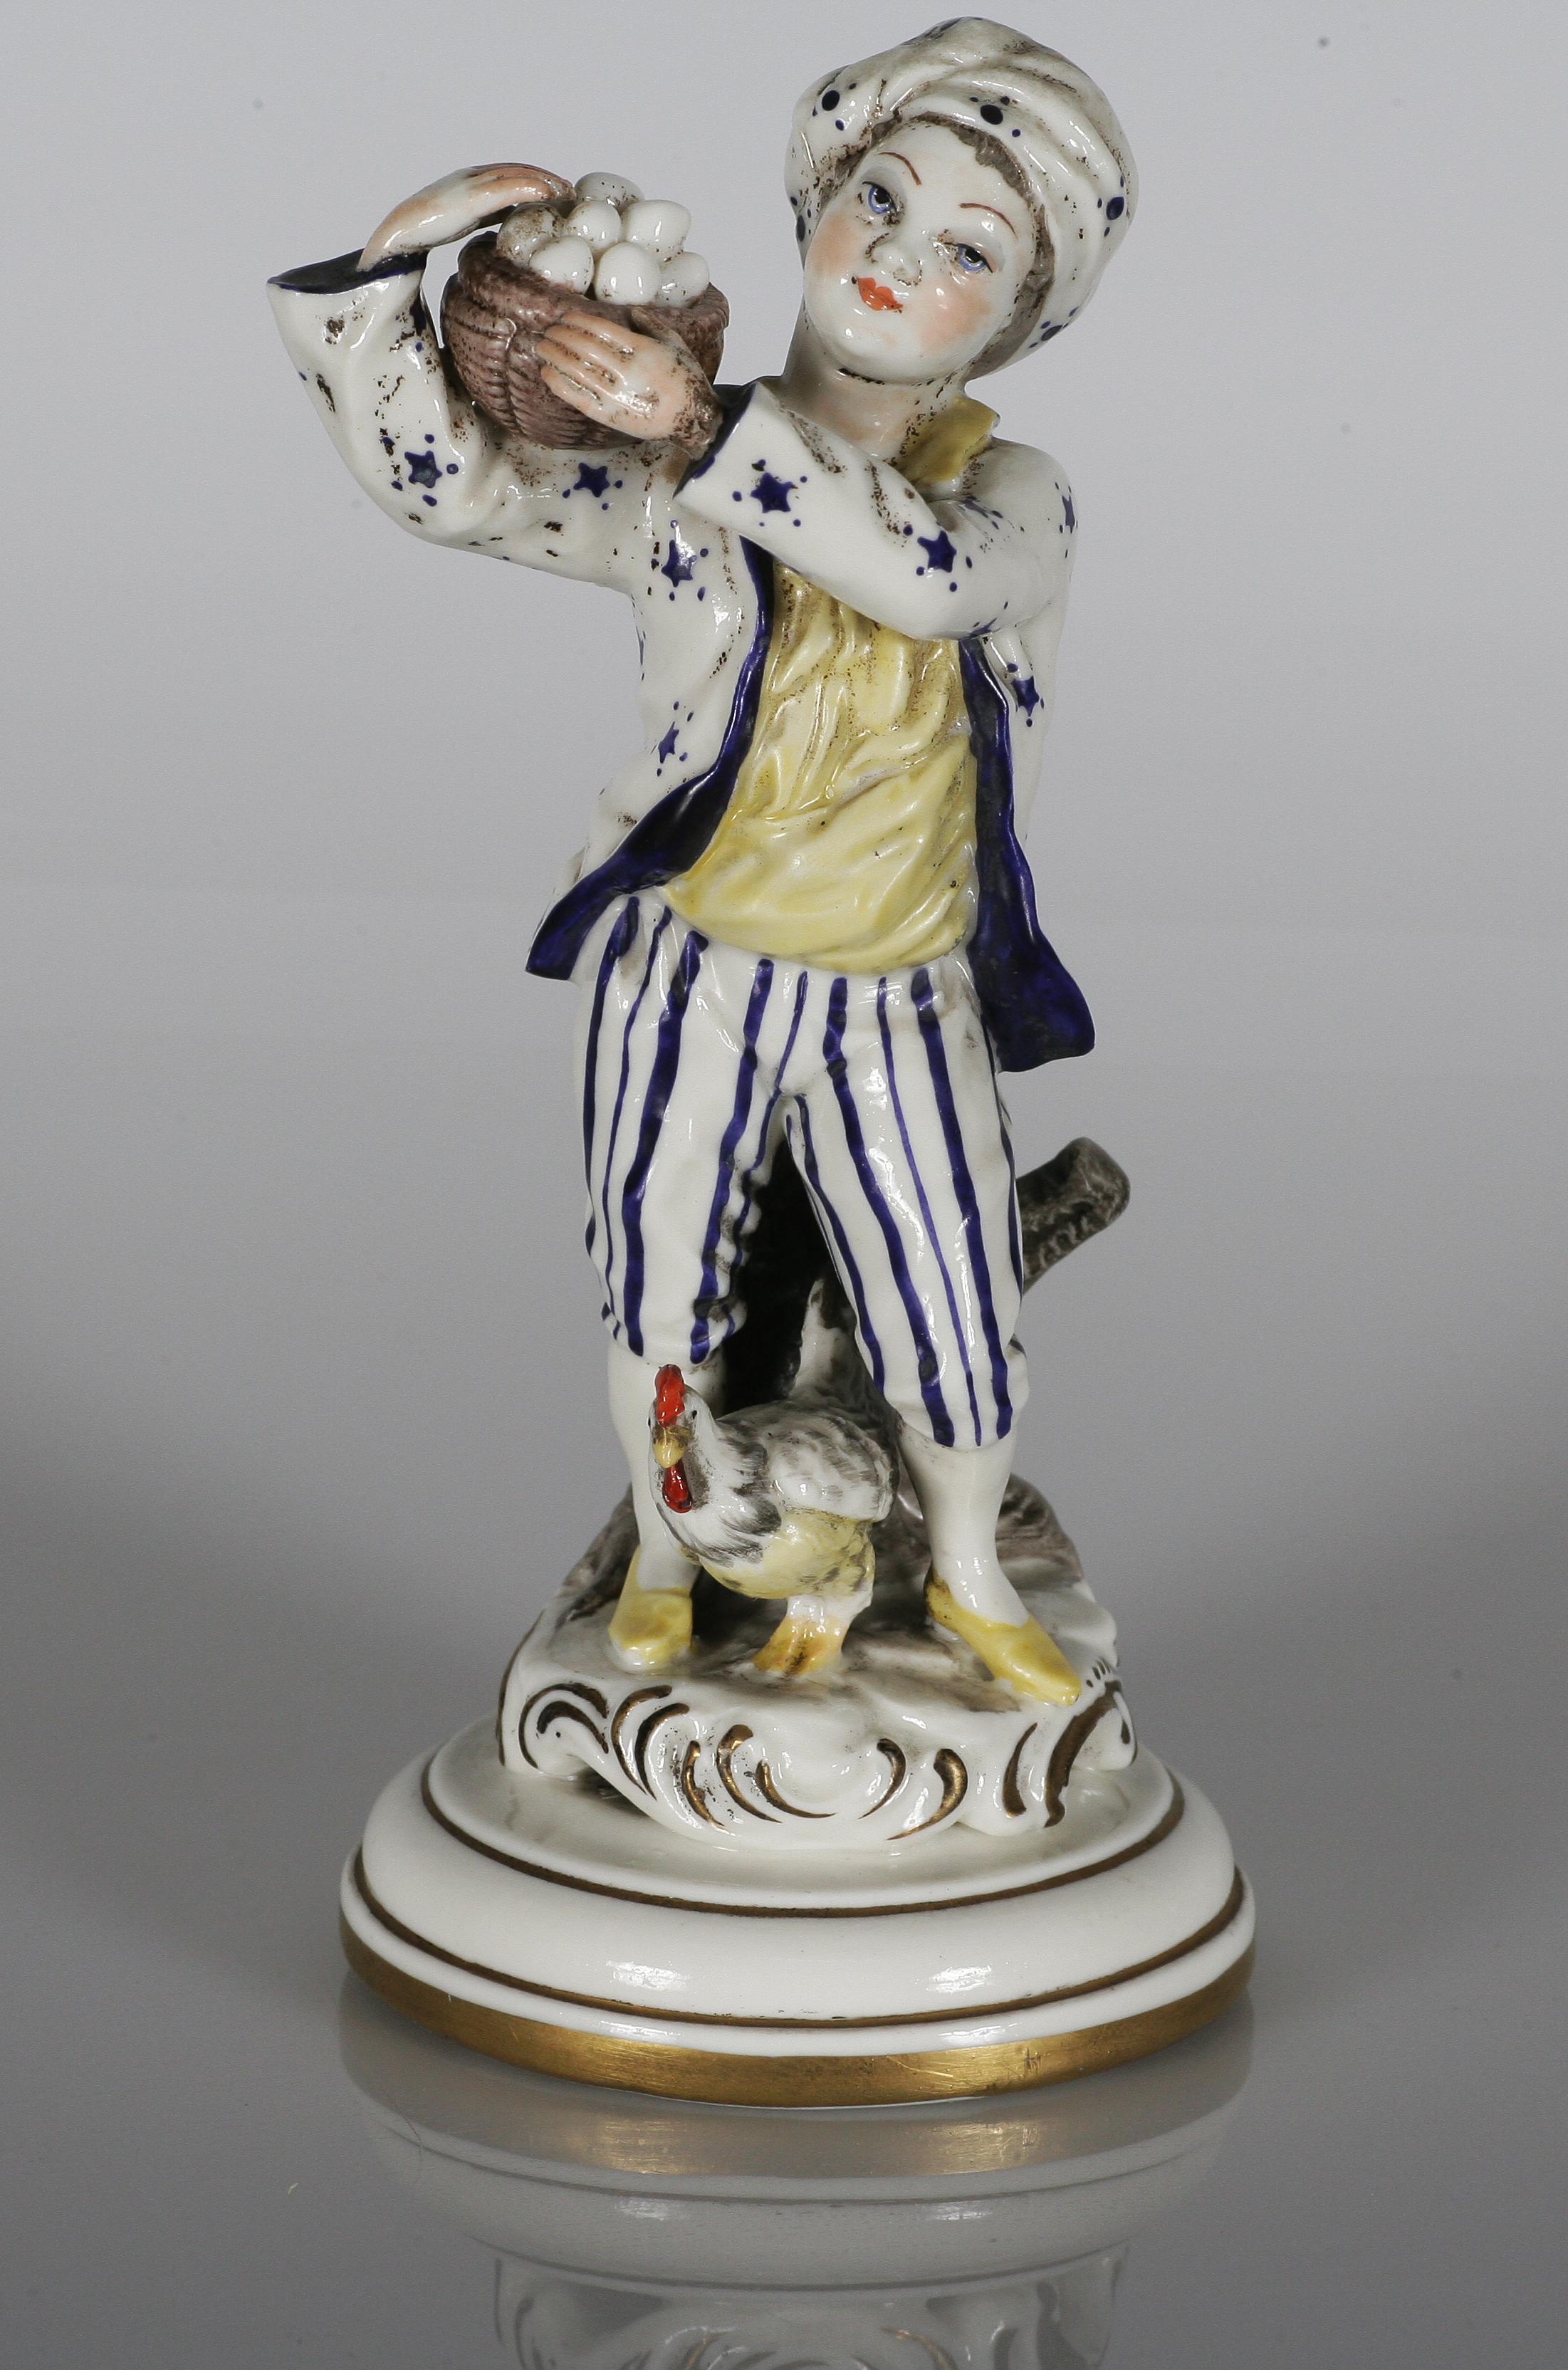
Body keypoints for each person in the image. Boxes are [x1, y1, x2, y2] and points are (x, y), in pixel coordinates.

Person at [268, 19, 1135, 1698]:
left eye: (969, 250)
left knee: (952, 1300)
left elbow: (930, 579)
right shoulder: (674, 477)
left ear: (1018, 315)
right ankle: (666, 1554)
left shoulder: (1014, 495)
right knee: (659, 1282)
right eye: (879, 197)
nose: (900, 254)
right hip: (696, 969)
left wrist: (700, 427)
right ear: (816, 202)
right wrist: (393, 283)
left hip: (897, 991)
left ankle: (966, 1568)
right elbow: (459, 487)